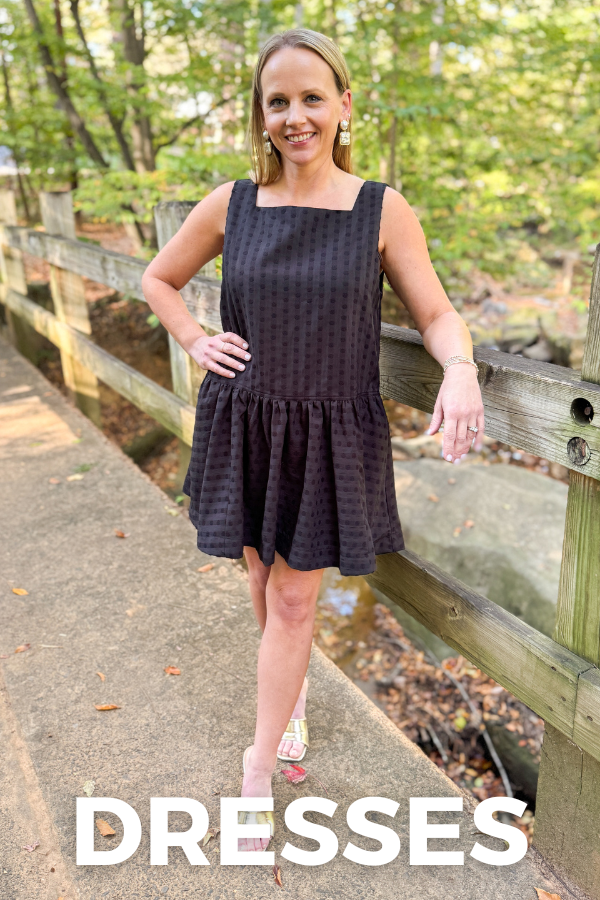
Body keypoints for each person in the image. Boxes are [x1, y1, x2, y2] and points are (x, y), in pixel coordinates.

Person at [141, 28, 485, 852]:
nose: (295, 117)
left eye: (311, 98)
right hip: (247, 417)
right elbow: (158, 277)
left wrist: (463, 369)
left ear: (344, 106)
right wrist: (193, 339)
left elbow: (435, 314)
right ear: (262, 117)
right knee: (262, 577)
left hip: (331, 427)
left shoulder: (380, 208)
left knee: (295, 596)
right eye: (278, 102)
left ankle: (257, 768)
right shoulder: (233, 204)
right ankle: (286, 708)